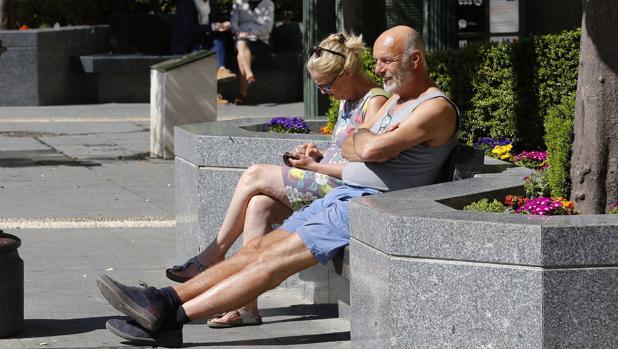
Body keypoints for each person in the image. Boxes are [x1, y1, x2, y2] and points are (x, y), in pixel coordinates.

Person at [97, 25, 460, 347]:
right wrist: (363, 142)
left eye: (386, 62)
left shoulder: (434, 108)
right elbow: (356, 145)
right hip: (346, 195)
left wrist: (365, 142)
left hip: (372, 206)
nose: (378, 70)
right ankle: (166, 299)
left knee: (273, 262)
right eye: (378, 61)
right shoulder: (397, 100)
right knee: (256, 251)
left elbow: (367, 147)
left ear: (414, 59)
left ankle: (171, 318)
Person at [165, 32, 390, 327]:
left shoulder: (374, 102)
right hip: (326, 178)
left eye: (326, 85)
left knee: (255, 174)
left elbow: (364, 164)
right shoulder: (349, 98)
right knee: (258, 204)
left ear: (347, 73)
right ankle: (246, 308)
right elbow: (344, 150)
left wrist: (314, 167)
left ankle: (210, 257)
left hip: (346, 190)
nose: (324, 92)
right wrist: (317, 154)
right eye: (318, 86)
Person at [170, 0, 237, 81]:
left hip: (205, 37)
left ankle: (221, 69)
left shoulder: (210, 2)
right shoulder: (186, 3)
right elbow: (189, 28)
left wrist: (224, 24)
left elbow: (216, 19)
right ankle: (218, 72)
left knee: (218, 39)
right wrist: (212, 27)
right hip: (188, 42)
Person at [229, 0, 275, 104]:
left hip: (260, 41)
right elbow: (233, 22)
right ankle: (248, 75)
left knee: (241, 56)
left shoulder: (268, 3)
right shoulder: (238, 2)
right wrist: (238, 32)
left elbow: (268, 27)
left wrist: (249, 33)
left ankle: (243, 91)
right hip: (241, 38)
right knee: (241, 44)